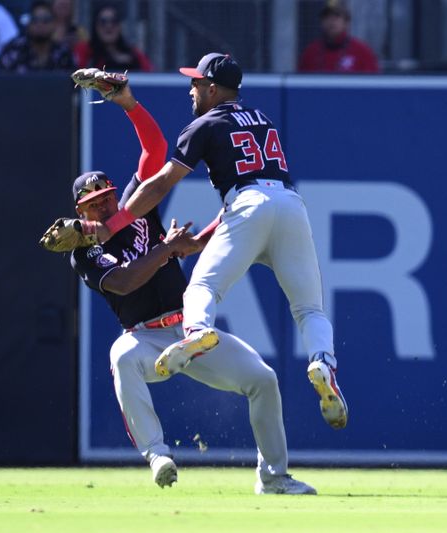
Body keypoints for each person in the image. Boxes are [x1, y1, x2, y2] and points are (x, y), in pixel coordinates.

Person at [69, 80, 316, 495]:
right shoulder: (81, 252)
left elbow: (153, 149)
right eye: (94, 204)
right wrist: (167, 249)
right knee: (121, 355)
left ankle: (274, 477)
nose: (106, 206)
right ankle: (157, 454)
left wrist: (128, 103)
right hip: (146, 338)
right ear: (80, 212)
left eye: (108, 197)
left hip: (189, 333)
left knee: (264, 379)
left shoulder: (133, 209)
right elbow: (128, 282)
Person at [80, 53, 349, 432]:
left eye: (196, 83)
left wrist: (115, 224)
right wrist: (199, 241)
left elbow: (159, 183)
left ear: (212, 88)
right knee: (310, 310)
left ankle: (197, 332)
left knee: (201, 289)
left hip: (246, 204)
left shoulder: (204, 124)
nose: (191, 89)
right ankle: (323, 361)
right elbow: (255, 198)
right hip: (289, 203)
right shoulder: (264, 119)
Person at [297, 0, 379, 73]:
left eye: (336, 17)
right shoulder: (310, 52)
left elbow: (373, 84)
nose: (331, 21)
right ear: (321, 22)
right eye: (327, 17)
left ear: (346, 23)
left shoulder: (362, 52)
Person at [0, 1, 74, 73]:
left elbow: (76, 84)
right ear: (29, 24)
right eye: (35, 19)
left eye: (45, 20)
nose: (40, 24)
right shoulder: (13, 50)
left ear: (54, 24)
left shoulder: (63, 53)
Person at [73, 4, 153, 72]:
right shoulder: (84, 51)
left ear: (119, 26)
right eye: (103, 22)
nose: (109, 26)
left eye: (113, 21)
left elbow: (150, 77)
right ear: (96, 26)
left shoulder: (134, 54)